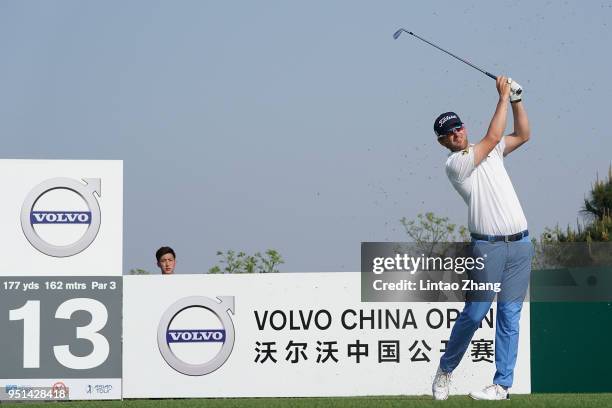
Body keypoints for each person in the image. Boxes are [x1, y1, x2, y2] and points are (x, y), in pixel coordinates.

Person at [431, 76, 532, 400]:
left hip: (520, 245)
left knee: (509, 316)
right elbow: (493, 136)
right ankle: (446, 370)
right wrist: (503, 96)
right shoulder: (455, 164)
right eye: (449, 133)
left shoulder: (492, 151)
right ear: (443, 142)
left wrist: (517, 100)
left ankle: (502, 385)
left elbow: (523, 134)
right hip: (487, 247)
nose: (456, 133)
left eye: (458, 127)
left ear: (463, 127)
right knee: (475, 314)